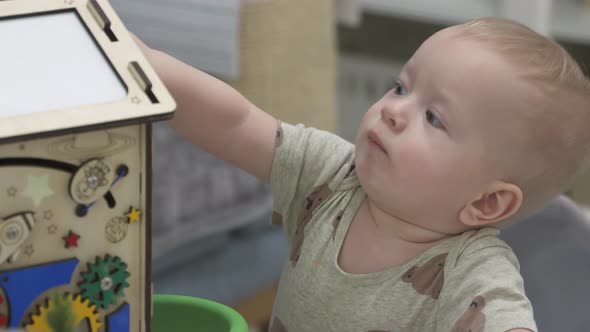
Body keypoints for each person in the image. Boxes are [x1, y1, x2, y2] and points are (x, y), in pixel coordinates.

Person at [132, 17, 590, 332]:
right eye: (400, 87)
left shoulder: (474, 272)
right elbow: (233, 123)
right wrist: (142, 61)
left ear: (487, 203)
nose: (393, 110)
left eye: (433, 117)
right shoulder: (331, 176)